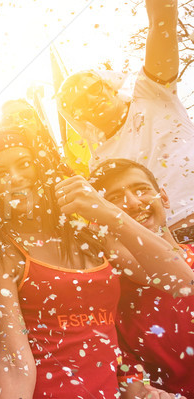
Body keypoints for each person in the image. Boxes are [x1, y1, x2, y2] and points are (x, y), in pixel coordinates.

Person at [0, 121, 194, 398]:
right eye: (0, 172)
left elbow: (182, 280)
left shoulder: (91, 235)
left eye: (24, 163)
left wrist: (107, 212)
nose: (15, 177)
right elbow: (16, 359)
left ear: (43, 167)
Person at [56, 0, 194, 238]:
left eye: (94, 87)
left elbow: (162, 24)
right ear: (78, 117)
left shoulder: (151, 92)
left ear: (109, 85)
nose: (91, 99)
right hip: (172, 243)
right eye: (79, 102)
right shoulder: (99, 163)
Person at [90, 159, 194, 398]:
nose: (134, 203)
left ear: (164, 198)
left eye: (142, 190)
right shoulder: (110, 301)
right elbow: (132, 383)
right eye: (115, 198)